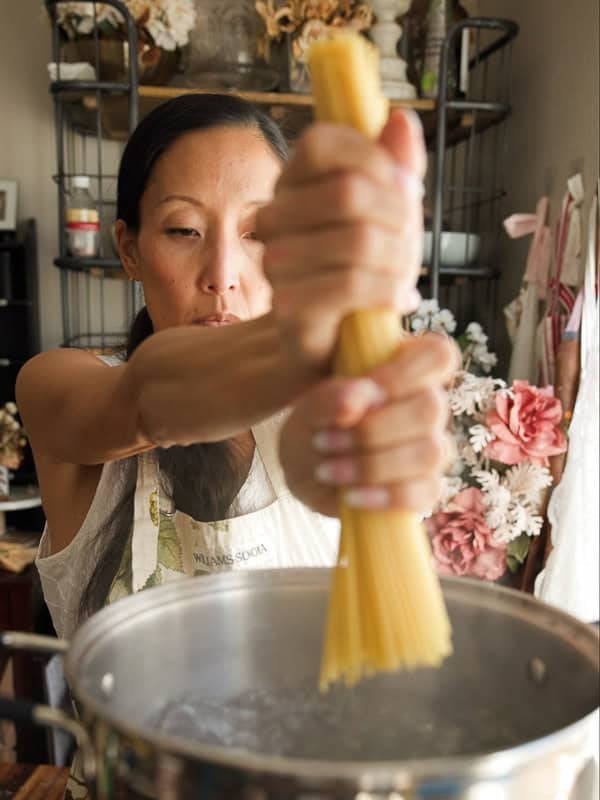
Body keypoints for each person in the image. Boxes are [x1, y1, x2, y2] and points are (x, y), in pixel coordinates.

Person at [18, 91, 455, 646]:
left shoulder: (336, 400)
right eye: (184, 230)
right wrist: (308, 336)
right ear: (129, 250)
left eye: (259, 234)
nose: (222, 274)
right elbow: (149, 396)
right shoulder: (58, 386)